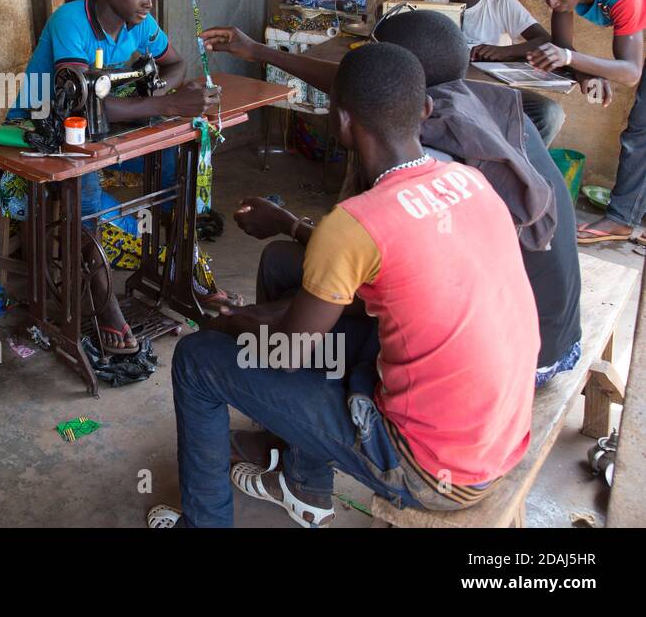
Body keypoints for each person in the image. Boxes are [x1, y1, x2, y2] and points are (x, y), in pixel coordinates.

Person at [148, 44, 538, 528]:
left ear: (341, 122)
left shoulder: (354, 222)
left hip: (426, 467)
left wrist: (231, 320)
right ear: (424, 109)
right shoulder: (469, 181)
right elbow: (388, 272)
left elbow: (287, 347)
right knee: (310, 310)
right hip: (498, 436)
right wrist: (287, 241)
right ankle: (305, 484)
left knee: (197, 359)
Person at [227, 11, 582, 385]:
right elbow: (358, 85)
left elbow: (416, 288)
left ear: (404, 79)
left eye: (374, 54)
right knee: (284, 266)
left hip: (519, 358)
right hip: (551, 331)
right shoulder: (479, 105)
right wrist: (259, 51)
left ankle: (311, 428)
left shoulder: (433, 160)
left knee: (295, 335)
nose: (363, 63)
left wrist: (276, 318)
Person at [7, 0, 217, 353]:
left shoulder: (141, 22)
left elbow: (176, 66)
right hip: (41, 127)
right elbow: (81, 102)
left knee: (178, 164)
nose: (148, 1)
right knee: (84, 184)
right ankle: (104, 304)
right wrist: (169, 103)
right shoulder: (70, 20)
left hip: (105, 127)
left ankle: (181, 273)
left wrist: (155, 92)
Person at [529, 0, 646, 244]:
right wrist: (586, 74)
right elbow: (563, 46)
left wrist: (571, 60)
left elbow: (631, 72)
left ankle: (622, 220)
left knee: (641, 130)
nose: (552, 3)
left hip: (635, 50)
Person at [404, 0, 564, 145]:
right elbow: (405, 35)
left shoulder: (501, 3)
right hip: (450, 88)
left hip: (495, 91)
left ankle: (522, 166)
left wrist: (503, 52)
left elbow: (544, 40)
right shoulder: (437, 2)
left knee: (550, 113)